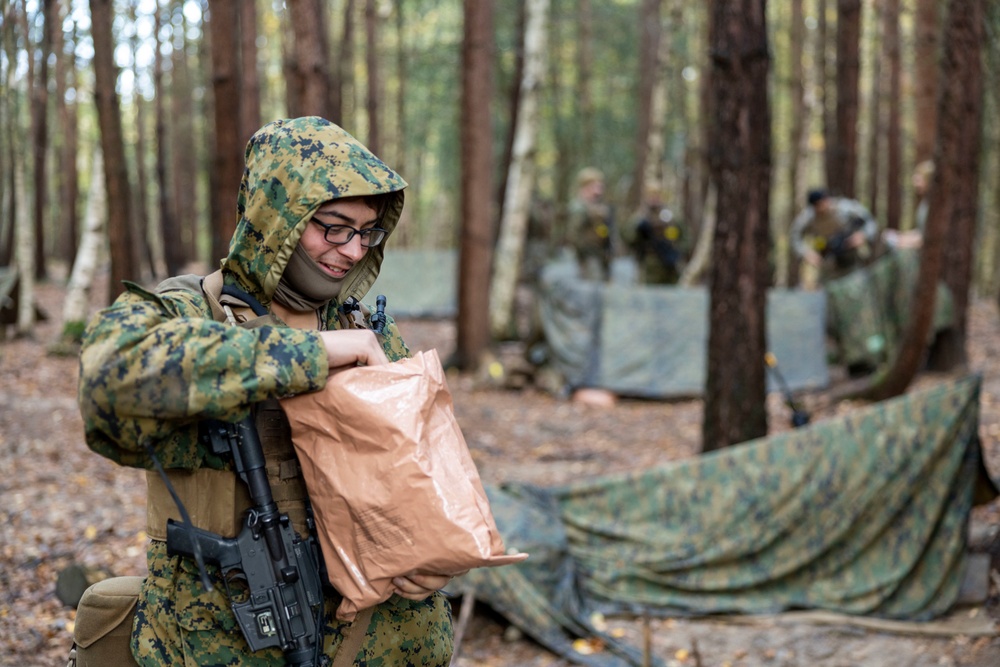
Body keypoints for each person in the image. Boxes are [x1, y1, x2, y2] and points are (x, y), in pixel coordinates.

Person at [77, 117, 456, 666]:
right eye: (333, 227)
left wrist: (432, 550)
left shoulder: (364, 326)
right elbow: (108, 382)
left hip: (375, 640)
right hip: (224, 642)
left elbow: (424, 472)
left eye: (367, 231)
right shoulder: (190, 312)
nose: (352, 251)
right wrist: (307, 357)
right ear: (278, 216)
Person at [790, 188, 879, 281]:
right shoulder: (808, 217)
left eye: (823, 203)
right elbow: (795, 236)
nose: (822, 208)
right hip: (828, 260)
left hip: (851, 256)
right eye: (817, 206)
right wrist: (806, 253)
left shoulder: (844, 208)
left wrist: (863, 235)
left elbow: (870, 222)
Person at [620, 187, 687, 285]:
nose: (654, 198)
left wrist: (678, 251)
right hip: (648, 264)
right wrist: (638, 230)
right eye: (651, 195)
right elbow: (627, 236)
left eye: (657, 195)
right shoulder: (640, 216)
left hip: (670, 265)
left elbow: (686, 236)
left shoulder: (671, 216)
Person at [565, 167, 613, 281]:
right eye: (595, 186)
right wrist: (582, 255)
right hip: (587, 258)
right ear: (585, 187)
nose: (599, 190)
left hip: (601, 256)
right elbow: (573, 235)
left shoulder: (598, 207)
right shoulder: (579, 207)